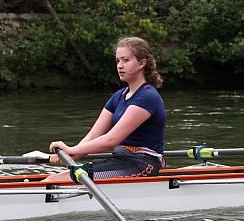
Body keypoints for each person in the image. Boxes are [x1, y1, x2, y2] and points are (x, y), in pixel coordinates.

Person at [44, 36, 166, 182]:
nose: (120, 66)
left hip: (142, 165)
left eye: (125, 60)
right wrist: (72, 154)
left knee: (53, 181)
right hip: (121, 161)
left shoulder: (147, 96)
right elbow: (92, 137)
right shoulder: (118, 96)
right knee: (52, 178)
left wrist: (71, 150)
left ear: (141, 63)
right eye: (118, 60)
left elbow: (111, 140)